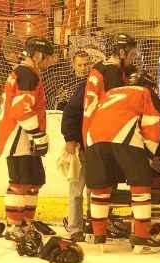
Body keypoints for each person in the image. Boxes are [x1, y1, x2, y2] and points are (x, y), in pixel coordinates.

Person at [83, 33, 160, 253]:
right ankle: (141, 239)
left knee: (100, 187)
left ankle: (98, 237)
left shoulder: (104, 76)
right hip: (122, 136)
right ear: (121, 52)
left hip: (93, 136)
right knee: (140, 186)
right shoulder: (130, 83)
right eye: (130, 52)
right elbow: (152, 123)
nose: (132, 57)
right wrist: (149, 153)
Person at [0, 36, 55, 241]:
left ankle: (26, 223)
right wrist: (37, 133)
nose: (50, 61)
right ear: (38, 55)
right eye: (48, 57)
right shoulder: (26, 74)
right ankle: (14, 226)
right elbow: (21, 108)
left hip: (24, 136)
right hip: (18, 136)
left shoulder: (27, 73)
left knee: (34, 180)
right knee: (20, 182)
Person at [60, 52, 91, 242]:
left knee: (89, 189)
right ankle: (74, 227)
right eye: (80, 65)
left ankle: (86, 224)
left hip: (89, 144)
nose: (83, 68)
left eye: (86, 64)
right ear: (74, 65)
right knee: (77, 189)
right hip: (80, 145)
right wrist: (71, 139)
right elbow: (69, 114)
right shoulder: (79, 87)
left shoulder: (88, 85)